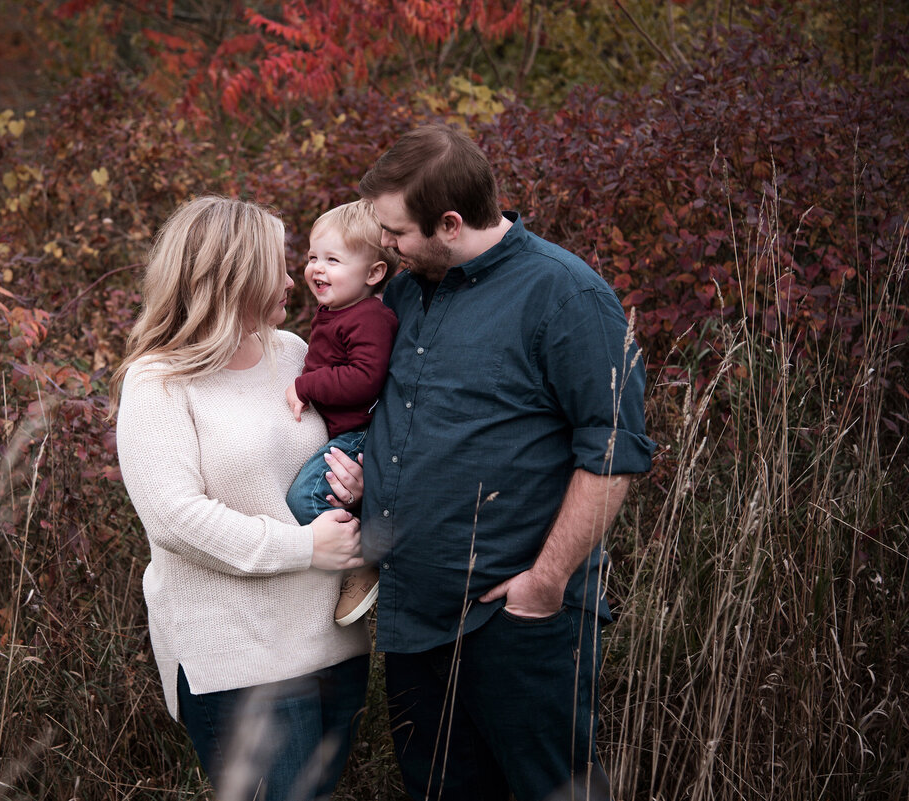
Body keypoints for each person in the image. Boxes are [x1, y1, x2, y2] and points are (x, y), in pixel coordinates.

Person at [348, 124, 656, 801]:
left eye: (396, 232)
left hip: (514, 626)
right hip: (413, 620)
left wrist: (543, 584)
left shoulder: (566, 296)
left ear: (450, 223)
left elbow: (613, 452)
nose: (386, 247)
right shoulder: (407, 291)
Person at [114, 196, 371, 801]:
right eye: (274, 267)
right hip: (239, 661)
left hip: (333, 644)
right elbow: (177, 518)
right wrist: (304, 546)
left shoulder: (293, 352)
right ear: (229, 277)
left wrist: (353, 482)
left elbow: (332, 445)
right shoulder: (158, 381)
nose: (292, 280)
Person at [284, 200, 399, 626]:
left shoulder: (368, 316)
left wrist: (305, 385)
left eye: (333, 260)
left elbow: (365, 378)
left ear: (373, 274)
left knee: (305, 498)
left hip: (362, 431)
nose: (317, 268)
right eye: (313, 257)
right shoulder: (336, 312)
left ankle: (363, 563)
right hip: (347, 431)